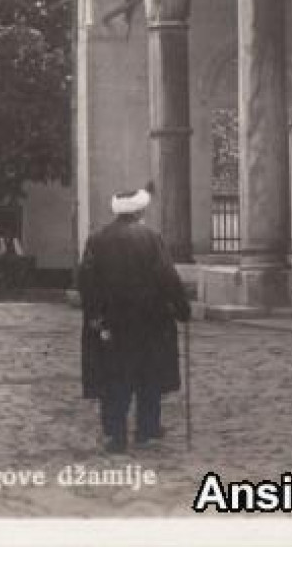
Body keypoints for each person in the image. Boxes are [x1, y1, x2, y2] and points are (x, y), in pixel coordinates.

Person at [78, 182, 190, 453]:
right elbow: (168, 277)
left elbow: (85, 281)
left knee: (114, 376)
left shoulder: (97, 239)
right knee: (148, 375)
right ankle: (146, 430)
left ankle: (115, 434)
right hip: (150, 322)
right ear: (140, 212)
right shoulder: (152, 238)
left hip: (112, 322)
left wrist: (94, 316)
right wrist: (182, 308)